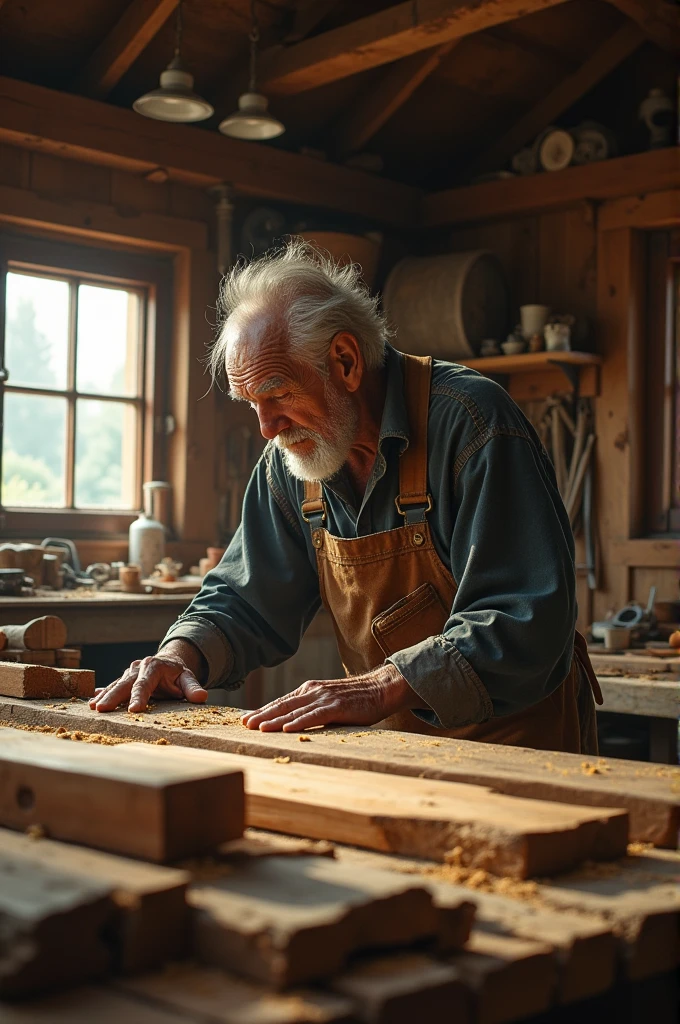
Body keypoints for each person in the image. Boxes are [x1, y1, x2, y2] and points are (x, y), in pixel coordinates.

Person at [91, 240, 600, 752]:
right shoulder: (294, 462)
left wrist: (379, 686)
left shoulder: (472, 423)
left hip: (520, 749)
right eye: (252, 404)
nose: (267, 429)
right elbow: (244, 598)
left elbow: (524, 619)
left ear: (346, 360)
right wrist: (181, 655)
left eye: (278, 393)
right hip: (395, 749)